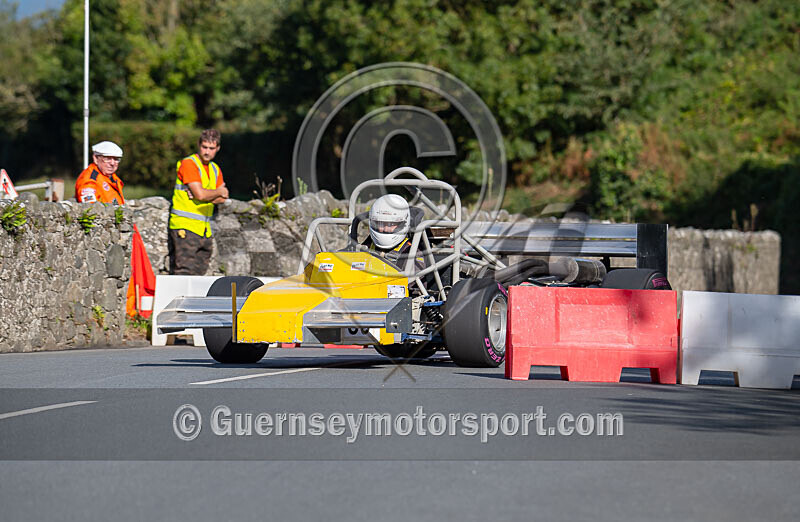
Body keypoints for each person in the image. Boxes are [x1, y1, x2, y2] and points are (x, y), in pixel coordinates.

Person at [168, 128, 229, 275]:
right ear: (199, 145)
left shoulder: (215, 169)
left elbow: (224, 196)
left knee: (199, 276)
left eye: (211, 148)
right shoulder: (189, 164)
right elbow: (201, 194)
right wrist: (214, 193)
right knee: (184, 273)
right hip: (185, 227)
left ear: (217, 148)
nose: (207, 152)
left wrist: (210, 194)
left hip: (204, 230)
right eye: (204, 147)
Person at [366, 194, 424, 272]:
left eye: (391, 224)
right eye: (381, 224)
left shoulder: (411, 251)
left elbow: (414, 283)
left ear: (403, 223)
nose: (386, 229)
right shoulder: (367, 244)